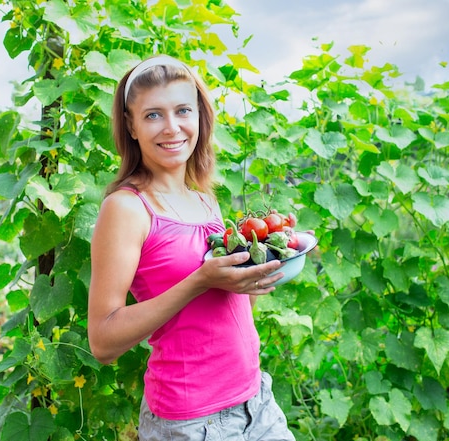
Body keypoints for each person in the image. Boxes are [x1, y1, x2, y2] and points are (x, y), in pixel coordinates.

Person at [87, 54, 297, 440]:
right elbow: (102, 341)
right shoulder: (126, 208)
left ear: (199, 117)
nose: (172, 127)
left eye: (183, 110)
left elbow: (230, 307)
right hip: (191, 421)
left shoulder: (204, 200)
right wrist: (199, 281)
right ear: (131, 126)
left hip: (255, 402)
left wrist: (259, 259)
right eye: (153, 115)